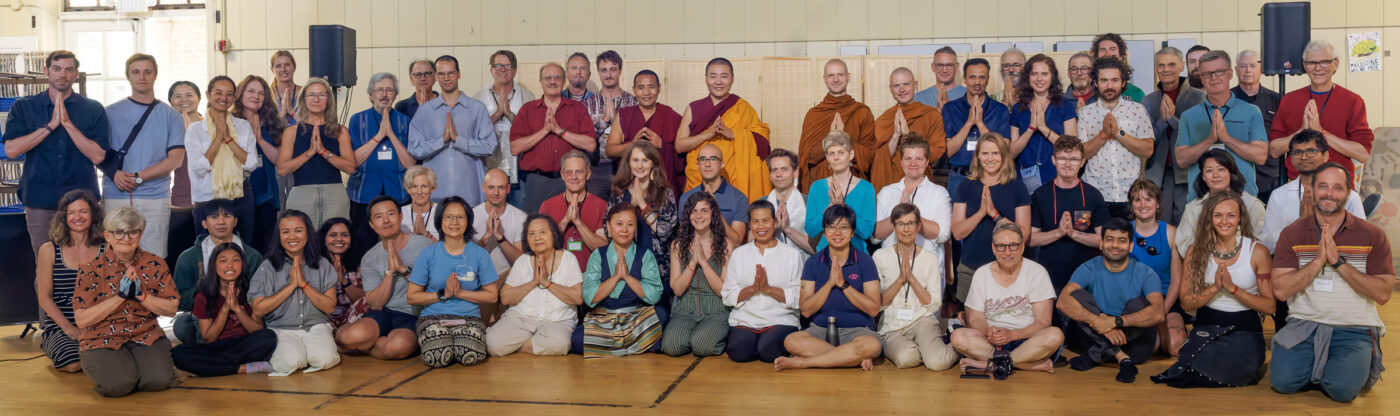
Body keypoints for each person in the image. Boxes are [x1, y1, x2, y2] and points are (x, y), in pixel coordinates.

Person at [1269, 163, 1391, 403]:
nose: (1329, 193)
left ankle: (1334, 365)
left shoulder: (1372, 235)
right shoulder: (1292, 234)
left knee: (1342, 391)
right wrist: (1317, 262)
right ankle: (1325, 363)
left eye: (1337, 188)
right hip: (1304, 325)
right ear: (1311, 191)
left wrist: (1337, 263)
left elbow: (1383, 294)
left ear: (1348, 193)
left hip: (1353, 329)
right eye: (1323, 186)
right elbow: (1281, 291)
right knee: (1283, 383)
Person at [1152, 192, 1274, 387]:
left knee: (1241, 370)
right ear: (1209, 218)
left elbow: (1269, 306)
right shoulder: (1196, 250)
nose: (1224, 221)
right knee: (1196, 367)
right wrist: (1215, 288)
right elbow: (1186, 302)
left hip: (1245, 329)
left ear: (1240, 218)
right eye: (1218, 215)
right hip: (1207, 326)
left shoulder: (1257, 252)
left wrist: (1233, 289)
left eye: (1230, 215)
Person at [3, 50, 111, 254]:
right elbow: (11, 150)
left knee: (85, 262)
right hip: (40, 198)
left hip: (82, 199)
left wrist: (68, 124)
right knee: (45, 261)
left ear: (76, 74)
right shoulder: (24, 107)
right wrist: (50, 126)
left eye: (69, 70)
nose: (63, 74)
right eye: (57, 69)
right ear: (46, 71)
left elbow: (98, 156)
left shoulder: (92, 109)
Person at [73, 207, 178, 397]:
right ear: (107, 235)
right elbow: (81, 320)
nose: (126, 238)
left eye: (133, 231)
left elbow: (171, 308)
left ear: (141, 233)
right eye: (119, 232)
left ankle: (138, 368)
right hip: (101, 337)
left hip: (144, 333)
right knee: (120, 385)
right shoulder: (90, 269)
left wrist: (141, 296)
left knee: (158, 381)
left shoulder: (155, 264)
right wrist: (120, 297)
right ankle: (119, 370)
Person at [1057, 218, 1166, 383]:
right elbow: (1063, 302)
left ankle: (1097, 355)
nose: (1115, 245)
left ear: (1130, 246)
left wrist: (1116, 322)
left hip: (1135, 347)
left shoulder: (1146, 273)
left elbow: (1158, 313)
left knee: (1141, 305)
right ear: (1101, 244)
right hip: (1095, 335)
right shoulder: (1089, 267)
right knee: (1075, 295)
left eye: (1122, 241)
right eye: (1109, 240)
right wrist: (1100, 322)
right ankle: (1121, 358)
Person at [775, 205, 882, 371]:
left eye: (844, 227)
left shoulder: (865, 261)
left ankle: (804, 363)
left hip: (858, 331)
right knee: (791, 341)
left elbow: (874, 309)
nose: (837, 233)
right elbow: (806, 310)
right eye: (831, 227)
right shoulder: (813, 262)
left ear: (853, 232)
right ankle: (851, 358)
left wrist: (843, 284)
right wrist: (830, 283)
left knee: (873, 345)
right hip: (821, 331)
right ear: (824, 232)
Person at [102, 54, 185, 258]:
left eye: (147, 71)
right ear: (128, 76)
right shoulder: (109, 113)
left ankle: (150, 292)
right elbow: (97, 153)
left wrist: (139, 177)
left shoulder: (170, 115)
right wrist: (114, 174)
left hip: (155, 197)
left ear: (155, 75)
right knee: (116, 257)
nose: (142, 77)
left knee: (153, 258)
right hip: (116, 194)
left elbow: (175, 159)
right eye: (136, 72)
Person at [950, 222, 1062, 373]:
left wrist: (1013, 334)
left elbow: (1043, 322)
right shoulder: (981, 274)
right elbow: (975, 319)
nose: (1007, 252)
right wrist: (989, 332)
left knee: (1055, 335)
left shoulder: (1037, 272)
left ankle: (992, 364)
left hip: (1027, 339)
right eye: (1001, 246)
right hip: (991, 342)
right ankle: (1024, 363)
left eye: (1013, 246)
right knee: (958, 337)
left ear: (1022, 247)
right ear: (993, 248)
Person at [406, 196, 500, 367]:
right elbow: (412, 297)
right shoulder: (428, 254)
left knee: (468, 354)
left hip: (469, 317)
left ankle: (455, 344)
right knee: (437, 356)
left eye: (460, 217)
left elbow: (492, 296)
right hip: (433, 317)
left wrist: (461, 293)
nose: (454, 222)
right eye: (448, 217)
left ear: (468, 221)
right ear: (440, 221)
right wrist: (444, 294)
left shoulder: (479, 254)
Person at [335, 196, 434, 360]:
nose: (386, 221)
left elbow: (434, 288)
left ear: (400, 217)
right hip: (385, 313)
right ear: (372, 225)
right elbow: (376, 304)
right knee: (349, 338)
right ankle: (362, 342)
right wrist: (390, 273)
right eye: (379, 217)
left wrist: (403, 269)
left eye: (390, 214)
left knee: (398, 346)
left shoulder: (425, 246)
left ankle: (366, 346)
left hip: (415, 314)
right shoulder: (369, 258)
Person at [249, 210, 342, 375]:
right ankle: (297, 353)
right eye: (285, 232)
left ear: (308, 233)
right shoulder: (267, 267)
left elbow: (329, 307)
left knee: (325, 359)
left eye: (298, 230)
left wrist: (304, 285)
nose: (292, 237)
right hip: (280, 329)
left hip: (316, 326)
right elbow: (258, 309)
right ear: (279, 236)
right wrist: (291, 286)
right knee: (290, 362)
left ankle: (307, 351)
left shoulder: (322, 264)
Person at [1269, 40, 1373, 181]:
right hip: (1297, 186)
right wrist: (1301, 131)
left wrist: (1321, 132)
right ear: (1305, 66)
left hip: (1338, 187)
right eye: (1311, 63)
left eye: (1324, 62)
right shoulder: (1289, 100)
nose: (1318, 68)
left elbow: (1363, 154)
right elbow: (1274, 151)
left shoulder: (1353, 101)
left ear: (1335, 64)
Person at [170, 243, 277, 377]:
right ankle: (240, 368)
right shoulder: (203, 296)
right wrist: (225, 308)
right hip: (216, 348)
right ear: (214, 266)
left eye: (236, 260)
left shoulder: (249, 290)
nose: (230, 265)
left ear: (243, 265)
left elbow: (257, 330)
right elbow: (209, 338)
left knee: (268, 336)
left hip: (244, 345)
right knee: (178, 354)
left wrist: (237, 308)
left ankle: (214, 367)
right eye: (223, 261)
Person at [1175, 51, 1269, 201]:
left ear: (1230, 73)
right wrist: (1210, 140)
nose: (1214, 78)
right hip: (1200, 201)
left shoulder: (1252, 112)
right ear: (1201, 77)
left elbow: (1261, 156)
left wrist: (1226, 138)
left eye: (1219, 72)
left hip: (1243, 198)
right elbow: (1181, 160)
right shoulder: (1189, 116)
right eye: (1207, 74)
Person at [486, 215, 583, 356]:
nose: (537, 238)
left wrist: (546, 282)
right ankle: (535, 344)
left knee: (561, 343)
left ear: (553, 235)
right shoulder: (523, 260)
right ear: (527, 239)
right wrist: (534, 282)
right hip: (520, 318)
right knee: (492, 344)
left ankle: (519, 346)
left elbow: (578, 298)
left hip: (557, 321)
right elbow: (505, 298)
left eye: (543, 232)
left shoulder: (568, 259)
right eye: (532, 234)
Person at [578, 203, 667, 357]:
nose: (624, 229)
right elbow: (589, 297)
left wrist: (627, 276)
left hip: (636, 318)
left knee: (661, 314)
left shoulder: (645, 255)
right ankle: (635, 344)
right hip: (604, 320)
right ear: (609, 226)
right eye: (619, 224)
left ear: (636, 228)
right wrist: (615, 277)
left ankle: (609, 346)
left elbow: (654, 295)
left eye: (630, 224)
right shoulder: (598, 255)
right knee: (576, 339)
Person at [172, 199, 265, 345]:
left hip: (242, 313)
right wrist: (206, 291)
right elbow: (178, 300)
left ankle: (217, 352)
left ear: (235, 221)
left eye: (227, 216)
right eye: (214, 217)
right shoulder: (189, 257)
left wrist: (236, 300)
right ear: (204, 223)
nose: (221, 221)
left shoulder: (252, 256)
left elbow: (260, 295)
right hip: (206, 315)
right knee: (182, 325)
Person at [876, 203, 958, 371]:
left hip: (922, 321)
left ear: (918, 226)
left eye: (911, 223)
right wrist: (900, 280)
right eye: (901, 224)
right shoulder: (880, 256)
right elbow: (878, 304)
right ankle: (928, 349)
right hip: (892, 327)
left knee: (937, 363)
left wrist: (912, 279)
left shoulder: (930, 258)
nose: (906, 229)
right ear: (893, 226)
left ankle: (958, 348)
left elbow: (934, 304)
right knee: (906, 358)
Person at [677, 57, 772, 200]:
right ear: (706, 78)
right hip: (699, 178)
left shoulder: (743, 108)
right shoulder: (693, 108)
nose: (718, 82)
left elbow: (762, 142)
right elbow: (679, 146)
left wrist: (732, 133)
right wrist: (707, 135)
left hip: (734, 182)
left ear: (732, 79)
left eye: (724, 76)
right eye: (713, 76)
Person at [951, 134, 1031, 303]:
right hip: (970, 268)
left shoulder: (1017, 187)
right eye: (985, 153)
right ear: (978, 156)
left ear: (1003, 156)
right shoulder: (966, 185)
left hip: (1008, 270)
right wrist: (981, 213)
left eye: (995, 153)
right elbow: (957, 233)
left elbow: (1024, 235)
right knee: (968, 324)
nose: (990, 159)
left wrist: (994, 214)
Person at [408, 55, 498, 206]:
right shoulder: (425, 111)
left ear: (459, 74)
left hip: (470, 193)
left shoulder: (477, 109)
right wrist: (441, 141)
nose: (446, 78)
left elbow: (490, 146)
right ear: (436, 76)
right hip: (435, 195)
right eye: (441, 74)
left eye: (450, 73)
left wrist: (458, 140)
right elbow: (414, 148)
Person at [722, 201, 803, 363]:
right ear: (749, 224)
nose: (761, 227)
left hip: (780, 319)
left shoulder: (792, 255)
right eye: (755, 221)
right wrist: (752, 289)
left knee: (769, 351)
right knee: (740, 352)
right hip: (745, 319)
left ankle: (764, 344)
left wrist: (768, 289)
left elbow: (800, 296)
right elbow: (728, 294)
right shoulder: (739, 254)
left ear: (774, 222)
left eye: (766, 221)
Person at [510, 63, 596, 213]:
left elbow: (590, 145)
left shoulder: (577, 108)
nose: (552, 81)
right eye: (547, 77)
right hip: (537, 182)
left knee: (573, 224)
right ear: (541, 81)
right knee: (539, 225)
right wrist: (544, 131)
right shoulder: (528, 109)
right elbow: (515, 148)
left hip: (571, 180)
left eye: (557, 77)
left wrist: (560, 131)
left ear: (564, 81)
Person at [35, 190, 105, 373]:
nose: (77, 217)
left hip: (99, 321)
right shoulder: (49, 250)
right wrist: (68, 329)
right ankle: (54, 344)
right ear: (63, 217)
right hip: (62, 323)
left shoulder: (107, 248)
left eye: (83, 211)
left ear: (93, 214)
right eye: (71, 212)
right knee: (73, 363)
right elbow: (44, 297)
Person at [346, 72, 415, 259]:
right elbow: (352, 162)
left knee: (399, 247)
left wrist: (390, 134)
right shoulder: (357, 120)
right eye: (379, 90)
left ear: (395, 95)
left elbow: (410, 164)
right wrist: (378, 136)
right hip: (363, 193)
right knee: (363, 248)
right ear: (370, 94)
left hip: (398, 192)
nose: (384, 94)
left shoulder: (405, 122)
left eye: (389, 90)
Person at [1262, 130, 1366, 252]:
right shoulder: (1279, 195)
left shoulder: (1348, 196)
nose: (1304, 157)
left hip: (1337, 265)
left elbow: (1363, 241)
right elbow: (1266, 245)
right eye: (1297, 152)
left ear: (1325, 156)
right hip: (1292, 265)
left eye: (1311, 151)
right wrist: (1299, 225)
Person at [1029, 136, 1108, 293]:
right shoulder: (1040, 195)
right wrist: (1059, 233)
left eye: (1073, 159)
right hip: (1048, 276)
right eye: (1062, 158)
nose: (1067, 164)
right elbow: (1031, 239)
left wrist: (1073, 234)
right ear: (1053, 160)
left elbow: (1104, 240)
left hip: (1085, 277)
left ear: (1082, 162)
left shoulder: (1093, 195)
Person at [1077, 57, 1155, 215]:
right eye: (1104, 80)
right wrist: (1104, 135)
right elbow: (1081, 154)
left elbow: (1148, 150)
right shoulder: (1085, 113)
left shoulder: (1137, 110)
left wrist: (1118, 133)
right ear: (1096, 83)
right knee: (1091, 238)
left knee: (1129, 239)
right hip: (1093, 193)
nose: (1109, 86)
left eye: (1115, 80)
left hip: (1131, 194)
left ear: (1124, 83)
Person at [275, 77, 355, 227]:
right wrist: (310, 152)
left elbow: (350, 168)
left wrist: (324, 152)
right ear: (303, 99)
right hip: (301, 192)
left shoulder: (340, 130)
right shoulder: (292, 131)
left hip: (334, 192)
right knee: (303, 238)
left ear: (329, 100)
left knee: (334, 237)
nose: (316, 99)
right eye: (311, 95)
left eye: (321, 95)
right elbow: (282, 169)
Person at [187, 75, 259, 240]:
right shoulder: (195, 129)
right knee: (207, 250)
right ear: (208, 94)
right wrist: (218, 137)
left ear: (234, 98)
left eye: (229, 94)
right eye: (218, 93)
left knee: (244, 247)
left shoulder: (242, 126)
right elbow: (199, 167)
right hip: (207, 196)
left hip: (240, 196)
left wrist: (228, 138)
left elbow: (251, 163)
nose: (223, 98)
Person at [663, 192, 732, 357]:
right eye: (694, 211)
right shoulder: (677, 245)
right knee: (671, 346)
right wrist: (693, 263)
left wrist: (704, 262)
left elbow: (723, 290)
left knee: (702, 346)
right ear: (688, 215)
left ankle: (713, 334)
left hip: (715, 309)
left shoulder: (725, 245)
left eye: (704, 211)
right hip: (687, 307)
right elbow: (677, 289)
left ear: (713, 214)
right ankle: (692, 335)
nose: (699, 215)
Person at [1142, 47, 1205, 224]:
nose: (1166, 69)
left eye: (1171, 64)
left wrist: (1173, 120)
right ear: (1156, 68)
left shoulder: (1199, 98)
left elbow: (1199, 137)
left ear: (1181, 67)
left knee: (1188, 224)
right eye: (1161, 65)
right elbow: (1146, 141)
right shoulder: (1148, 101)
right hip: (1158, 174)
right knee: (1161, 224)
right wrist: (1162, 122)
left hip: (1188, 173)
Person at [873, 138, 950, 277]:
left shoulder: (939, 193)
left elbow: (942, 234)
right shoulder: (887, 192)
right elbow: (875, 236)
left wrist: (912, 214)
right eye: (908, 158)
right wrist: (897, 215)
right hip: (891, 269)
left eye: (919, 159)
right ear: (901, 161)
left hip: (927, 271)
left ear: (927, 162)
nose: (913, 163)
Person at [1126, 179, 1185, 356]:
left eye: (1148, 199)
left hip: (1166, 300)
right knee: (1149, 347)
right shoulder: (1123, 233)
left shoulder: (1171, 233)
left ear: (1158, 203)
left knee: (1175, 346)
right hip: (1135, 301)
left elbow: (1176, 282)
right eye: (1137, 200)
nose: (1143, 204)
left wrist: (1160, 312)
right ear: (1131, 205)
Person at [798, 59, 876, 190]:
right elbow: (807, 158)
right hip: (821, 184)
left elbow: (869, 157)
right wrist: (828, 139)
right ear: (824, 79)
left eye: (840, 74)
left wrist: (844, 140)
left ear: (848, 77)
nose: (835, 79)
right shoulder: (814, 114)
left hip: (853, 185)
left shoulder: (862, 112)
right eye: (831, 75)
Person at [610, 141, 679, 286]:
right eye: (635, 160)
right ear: (628, 162)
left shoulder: (665, 193)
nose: (640, 166)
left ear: (653, 163)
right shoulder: (619, 193)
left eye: (644, 160)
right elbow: (608, 229)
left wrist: (642, 204)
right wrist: (629, 209)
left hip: (658, 268)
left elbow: (665, 232)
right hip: (626, 266)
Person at [233, 75, 289, 251]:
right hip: (235, 193)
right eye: (251, 91)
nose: (256, 96)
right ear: (241, 94)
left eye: (261, 93)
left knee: (264, 246)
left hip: (266, 195)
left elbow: (280, 162)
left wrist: (260, 140)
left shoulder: (274, 123)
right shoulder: (229, 122)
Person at [1175, 150, 1268, 255]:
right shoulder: (1192, 208)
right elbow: (1183, 244)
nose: (1215, 175)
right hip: (1203, 265)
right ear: (1203, 177)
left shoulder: (1252, 205)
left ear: (1231, 172)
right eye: (1209, 171)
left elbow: (1261, 243)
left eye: (1221, 169)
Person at [605, 70, 685, 194]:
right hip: (630, 184)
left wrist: (662, 145)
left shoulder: (672, 117)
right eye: (641, 87)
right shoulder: (623, 115)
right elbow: (610, 151)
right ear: (634, 90)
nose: (646, 92)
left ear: (659, 88)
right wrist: (633, 144)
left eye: (651, 87)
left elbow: (683, 158)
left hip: (662, 185)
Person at [941, 58, 1010, 200]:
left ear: (988, 79)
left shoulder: (1000, 110)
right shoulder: (950, 109)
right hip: (959, 178)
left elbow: (1004, 151)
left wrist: (980, 124)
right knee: (958, 221)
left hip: (991, 177)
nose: (977, 82)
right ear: (964, 79)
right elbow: (947, 151)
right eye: (972, 77)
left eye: (982, 77)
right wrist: (968, 124)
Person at [1009, 54, 1078, 192]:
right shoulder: (1018, 108)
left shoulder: (1065, 106)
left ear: (1052, 77)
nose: (1039, 79)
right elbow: (1011, 153)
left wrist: (1044, 128)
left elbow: (1073, 148)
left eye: (1044, 74)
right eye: (1034, 74)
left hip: (1057, 176)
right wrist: (1031, 129)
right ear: (1028, 77)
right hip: (1025, 178)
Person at [475, 50, 535, 206]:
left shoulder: (527, 97)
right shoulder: (478, 98)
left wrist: (509, 114)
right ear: (491, 70)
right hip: (488, 167)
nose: (502, 69)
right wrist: (496, 115)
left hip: (519, 168)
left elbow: (532, 133)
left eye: (507, 66)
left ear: (514, 70)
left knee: (519, 214)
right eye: (498, 65)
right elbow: (475, 133)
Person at [870, 67, 945, 190]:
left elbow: (936, 153)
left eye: (906, 84)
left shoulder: (930, 115)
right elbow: (876, 158)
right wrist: (895, 136)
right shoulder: (884, 119)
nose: (902, 89)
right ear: (890, 89)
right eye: (896, 85)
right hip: (891, 183)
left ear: (915, 85)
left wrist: (908, 136)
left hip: (921, 184)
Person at [805, 132, 876, 252]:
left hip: (857, 254)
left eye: (841, 152)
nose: (836, 158)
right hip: (826, 254)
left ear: (851, 154)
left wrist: (843, 207)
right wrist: (828, 210)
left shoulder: (866, 188)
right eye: (831, 153)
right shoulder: (816, 187)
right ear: (827, 157)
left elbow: (867, 232)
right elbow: (811, 230)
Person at [582, 50, 639, 198]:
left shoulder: (633, 102)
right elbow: (583, 139)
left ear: (620, 71)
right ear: (598, 73)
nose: (608, 75)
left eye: (613, 69)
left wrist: (616, 122)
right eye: (604, 70)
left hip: (626, 166)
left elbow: (637, 138)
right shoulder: (587, 104)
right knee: (597, 214)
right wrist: (603, 121)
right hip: (596, 169)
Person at [540, 150, 610, 269]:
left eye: (579, 172)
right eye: (568, 172)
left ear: (588, 174)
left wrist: (578, 222)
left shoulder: (602, 206)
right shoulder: (547, 205)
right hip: (557, 275)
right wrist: (565, 221)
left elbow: (603, 249)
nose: (573, 177)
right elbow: (542, 246)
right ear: (562, 175)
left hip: (591, 275)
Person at [1233, 50, 1283, 199]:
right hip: (1236, 179)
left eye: (1253, 66)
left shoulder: (1277, 100)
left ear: (1261, 69)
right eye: (1243, 66)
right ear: (1236, 70)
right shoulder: (1226, 101)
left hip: (1271, 180)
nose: (1248, 70)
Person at [679, 144, 751, 246]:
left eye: (713, 159)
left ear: (722, 164)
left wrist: (715, 210)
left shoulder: (739, 198)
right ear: (697, 165)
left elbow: (736, 242)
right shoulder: (686, 198)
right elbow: (684, 238)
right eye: (703, 159)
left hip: (728, 259)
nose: (707, 164)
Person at [474, 169, 527, 290]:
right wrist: (486, 236)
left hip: (508, 280)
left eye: (501, 188)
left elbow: (521, 262)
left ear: (508, 189)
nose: (496, 193)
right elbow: (467, 260)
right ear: (483, 188)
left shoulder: (521, 218)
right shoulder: (471, 216)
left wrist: (500, 237)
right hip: (478, 280)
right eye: (491, 187)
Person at [762, 149, 815, 256]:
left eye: (784, 169)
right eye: (774, 170)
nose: (778, 174)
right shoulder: (761, 204)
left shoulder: (809, 203)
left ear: (795, 173)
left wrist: (787, 229)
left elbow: (816, 249)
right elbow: (750, 243)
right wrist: (775, 228)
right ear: (770, 175)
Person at [321, 218, 367, 328]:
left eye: (345, 235)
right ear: (324, 239)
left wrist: (343, 281)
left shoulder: (361, 263)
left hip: (353, 319)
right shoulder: (315, 264)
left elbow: (365, 299)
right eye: (333, 235)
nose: (339, 239)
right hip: (323, 319)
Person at [168, 80, 203, 207]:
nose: (183, 100)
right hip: (181, 197)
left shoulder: (211, 125)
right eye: (178, 96)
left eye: (189, 95)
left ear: (198, 98)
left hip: (211, 196)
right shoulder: (168, 129)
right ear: (171, 101)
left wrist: (189, 133)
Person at [1090, 33, 1146, 102]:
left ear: (1122, 56)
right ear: (1096, 56)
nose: (1107, 53)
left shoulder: (1136, 93)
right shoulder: (1088, 92)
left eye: (1112, 49)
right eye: (1102, 50)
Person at [401, 165, 440, 241]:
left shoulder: (442, 212)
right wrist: (414, 235)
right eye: (414, 186)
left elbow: (448, 249)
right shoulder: (400, 213)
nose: (419, 192)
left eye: (424, 186)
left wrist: (426, 234)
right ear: (407, 189)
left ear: (432, 188)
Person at [269, 50, 301, 123]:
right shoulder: (268, 95)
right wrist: (282, 113)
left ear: (294, 67)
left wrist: (292, 113)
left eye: (287, 65)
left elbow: (310, 127)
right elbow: (266, 129)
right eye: (278, 66)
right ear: (272, 70)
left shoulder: (304, 93)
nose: (283, 69)